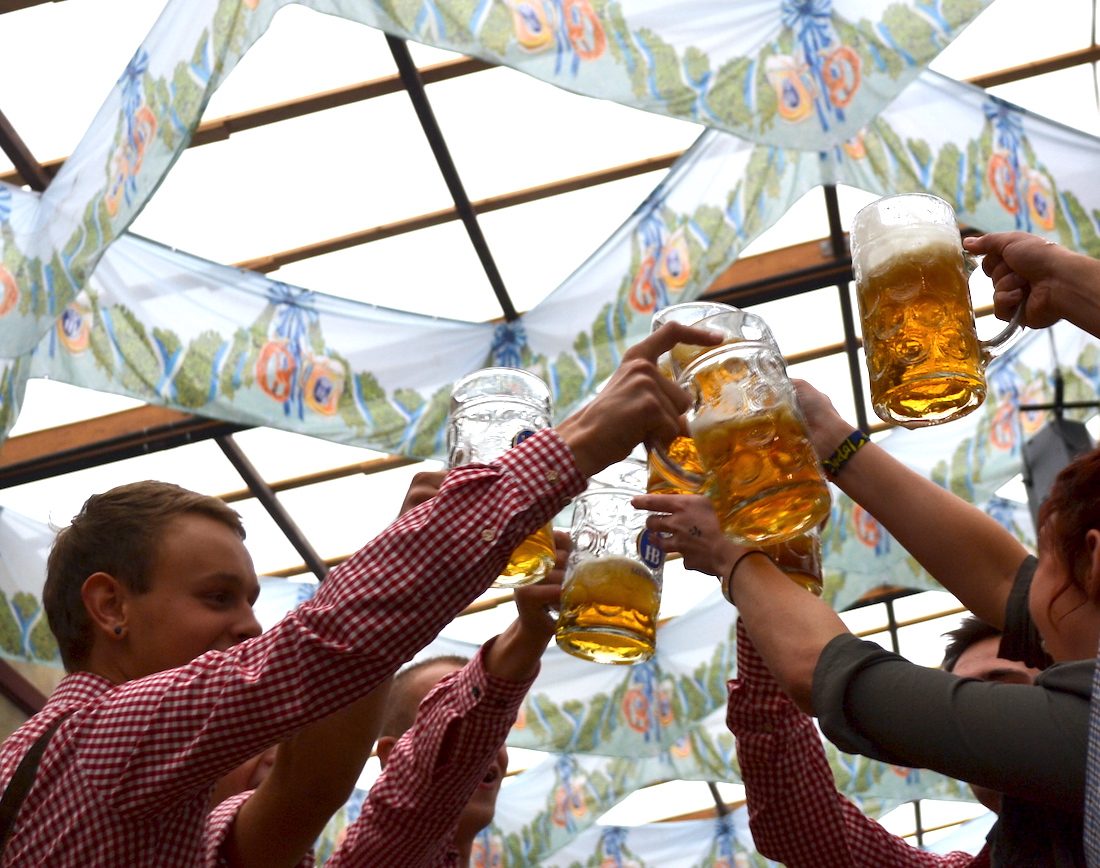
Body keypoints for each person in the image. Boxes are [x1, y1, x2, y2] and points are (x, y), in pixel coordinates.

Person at [0, 320, 718, 865]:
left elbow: (312, 787)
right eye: (218, 598)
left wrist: (408, 561)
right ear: (110, 606)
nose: (250, 627)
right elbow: (314, 647)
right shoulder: (101, 738)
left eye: (251, 601)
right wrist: (582, 441)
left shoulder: (157, 801)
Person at [634, 378, 1094, 866]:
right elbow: (1003, 580)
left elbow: (820, 670)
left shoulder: (1088, 731)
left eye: (1012, 690)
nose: (997, 707)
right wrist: (829, 437)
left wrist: (732, 555)